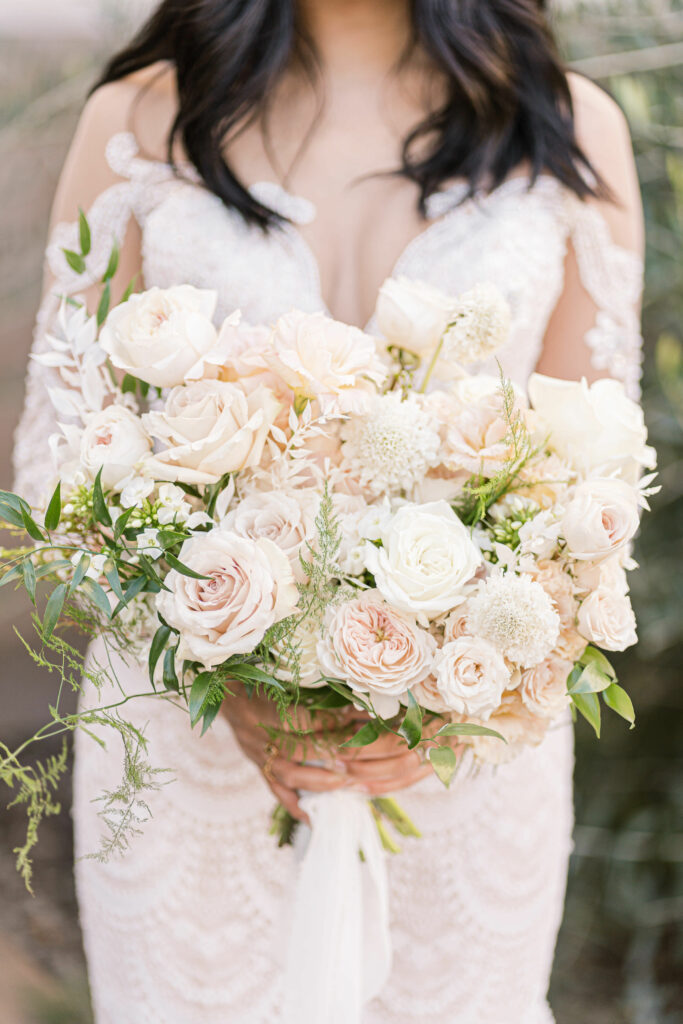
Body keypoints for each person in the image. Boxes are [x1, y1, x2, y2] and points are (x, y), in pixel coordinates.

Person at [13, 1, 644, 1020]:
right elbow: (56, 469)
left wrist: (446, 697)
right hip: (188, 747)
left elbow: (595, 504)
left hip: (464, 753)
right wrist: (226, 663)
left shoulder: (568, 128)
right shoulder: (138, 122)